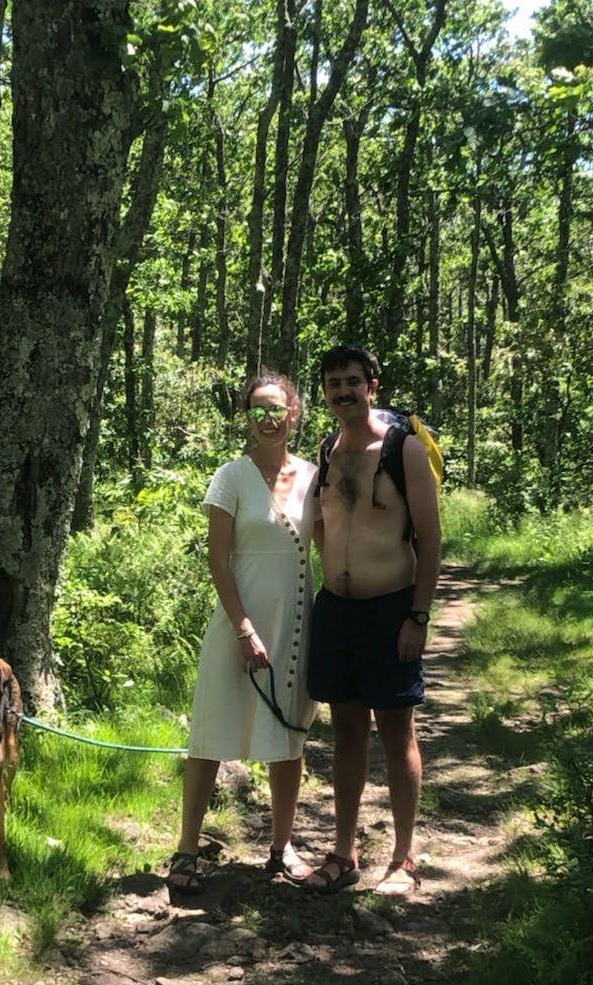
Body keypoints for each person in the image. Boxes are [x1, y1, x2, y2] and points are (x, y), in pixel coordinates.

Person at [166, 372, 320, 893]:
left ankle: (282, 847)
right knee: (209, 734)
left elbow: (335, 541)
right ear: (247, 419)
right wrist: (243, 628)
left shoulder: (314, 477)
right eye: (258, 411)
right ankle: (186, 851)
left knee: (289, 734)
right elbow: (218, 559)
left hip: (295, 622)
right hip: (239, 625)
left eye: (277, 409)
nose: (268, 419)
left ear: (294, 413)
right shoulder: (231, 476)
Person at [303, 345, 441, 896]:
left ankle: (404, 859)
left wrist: (418, 616)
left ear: (373, 386)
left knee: (396, 734)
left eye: (353, 382)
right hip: (336, 610)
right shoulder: (327, 450)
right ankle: (344, 852)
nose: (343, 393)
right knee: (345, 735)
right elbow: (323, 522)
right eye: (334, 384)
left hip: (391, 610)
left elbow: (430, 541)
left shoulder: (403, 451)